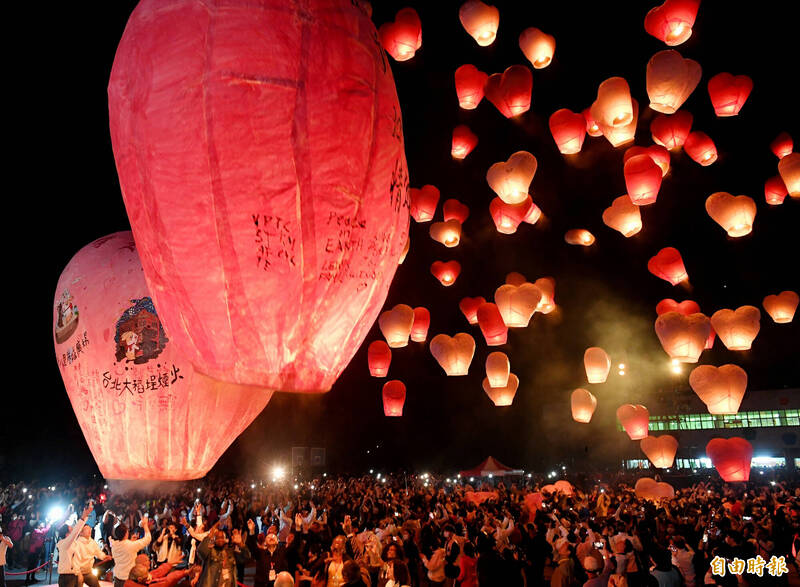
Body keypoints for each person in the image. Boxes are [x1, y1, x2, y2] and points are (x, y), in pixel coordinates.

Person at [56, 504, 94, 587]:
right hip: (67, 577)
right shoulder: (64, 543)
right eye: (71, 530)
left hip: (75, 575)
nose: (73, 529)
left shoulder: (73, 543)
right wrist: (84, 516)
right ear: (66, 534)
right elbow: (76, 531)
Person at [111, 514, 152, 587]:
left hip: (117, 576)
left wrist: (131, 541)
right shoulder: (131, 545)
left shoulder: (114, 545)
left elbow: (124, 547)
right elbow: (148, 539)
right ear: (126, 533)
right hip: (128, 578)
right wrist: (145, 525)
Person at [74, 521, 112, 587]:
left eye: (90, 529)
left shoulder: (92, 542)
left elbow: (98, 552)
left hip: (88, 571)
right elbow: (75, 561)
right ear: (81, 532)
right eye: (86, 529)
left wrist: (104, 556)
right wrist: (78, 573)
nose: (89, 531)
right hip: (78, 572)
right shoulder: (77, 544)